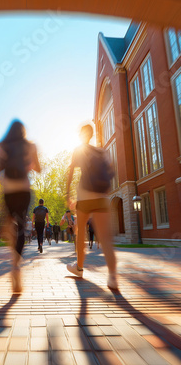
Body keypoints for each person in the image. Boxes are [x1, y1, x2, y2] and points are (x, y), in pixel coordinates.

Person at [66, 124, 118, 290]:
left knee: (81, 232)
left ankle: (79, 268)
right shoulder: (102, 151)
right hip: (101, 197)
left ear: (82, 135)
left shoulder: (79, 150)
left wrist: (68, 194)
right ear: (92, 135)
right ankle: (112, 277)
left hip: (85, 196)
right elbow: (111, 171)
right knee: (105, 238)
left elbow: (71, 172)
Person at [0, 120, 41, 292]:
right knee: (21, 227)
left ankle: (7, 225)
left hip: (8, 189)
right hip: (23, 188)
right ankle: (16, 267)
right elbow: (39, 168)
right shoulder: (30, 145)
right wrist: (30, 163)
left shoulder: (2, 145)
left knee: (9, 223)